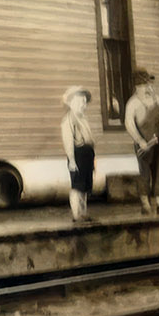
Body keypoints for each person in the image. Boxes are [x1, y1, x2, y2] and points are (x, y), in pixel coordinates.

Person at [123, 69, 159, 216]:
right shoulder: (132, 103)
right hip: (144, 144)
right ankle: (145, 204)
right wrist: (139, 141)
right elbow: (129, 123)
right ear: (137, 86)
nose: (148, 87)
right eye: (144, 85)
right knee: (144, 173)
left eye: (148, 84)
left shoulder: (158, 99)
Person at [62, 85, 96, 225]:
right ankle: (76, 215)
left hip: (87, 155)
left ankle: (83, 213)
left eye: (84, 101)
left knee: (85, 187)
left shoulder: (83, 118)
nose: (82, 104)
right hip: (77, 154)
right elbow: (68, 140)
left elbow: (90, 139)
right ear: (71, 103)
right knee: (77, 186)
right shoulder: (68, 119)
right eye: (79, 101)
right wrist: (71, 160)